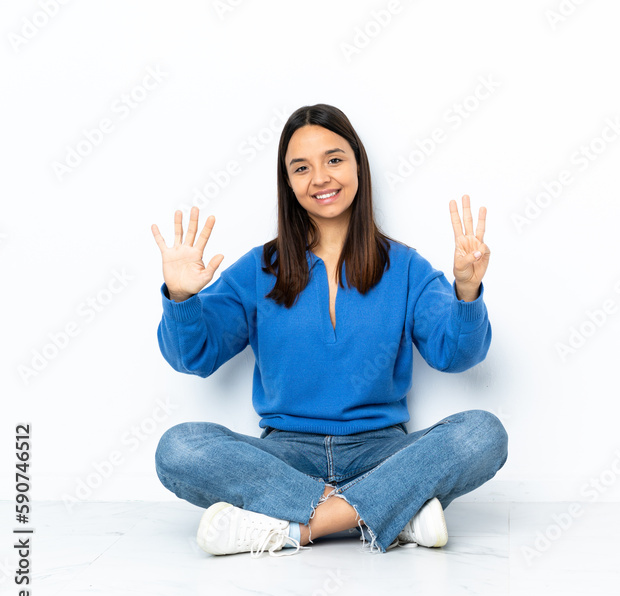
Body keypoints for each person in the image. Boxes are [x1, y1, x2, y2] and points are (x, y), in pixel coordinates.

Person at [150, 103, 508, 558]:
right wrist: (181, 298)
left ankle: (292, 527)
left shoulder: (406, 268)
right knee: (179, 448)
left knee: (482, 433)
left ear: (358, 164)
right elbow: (193, 357)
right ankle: (390, 513)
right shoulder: (259, 269)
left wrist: (467, 290)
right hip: (285, 458)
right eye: (302, 168)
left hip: (382, 454)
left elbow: (455, 355)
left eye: (334, 159)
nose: (320, 178)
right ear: (288, 182)